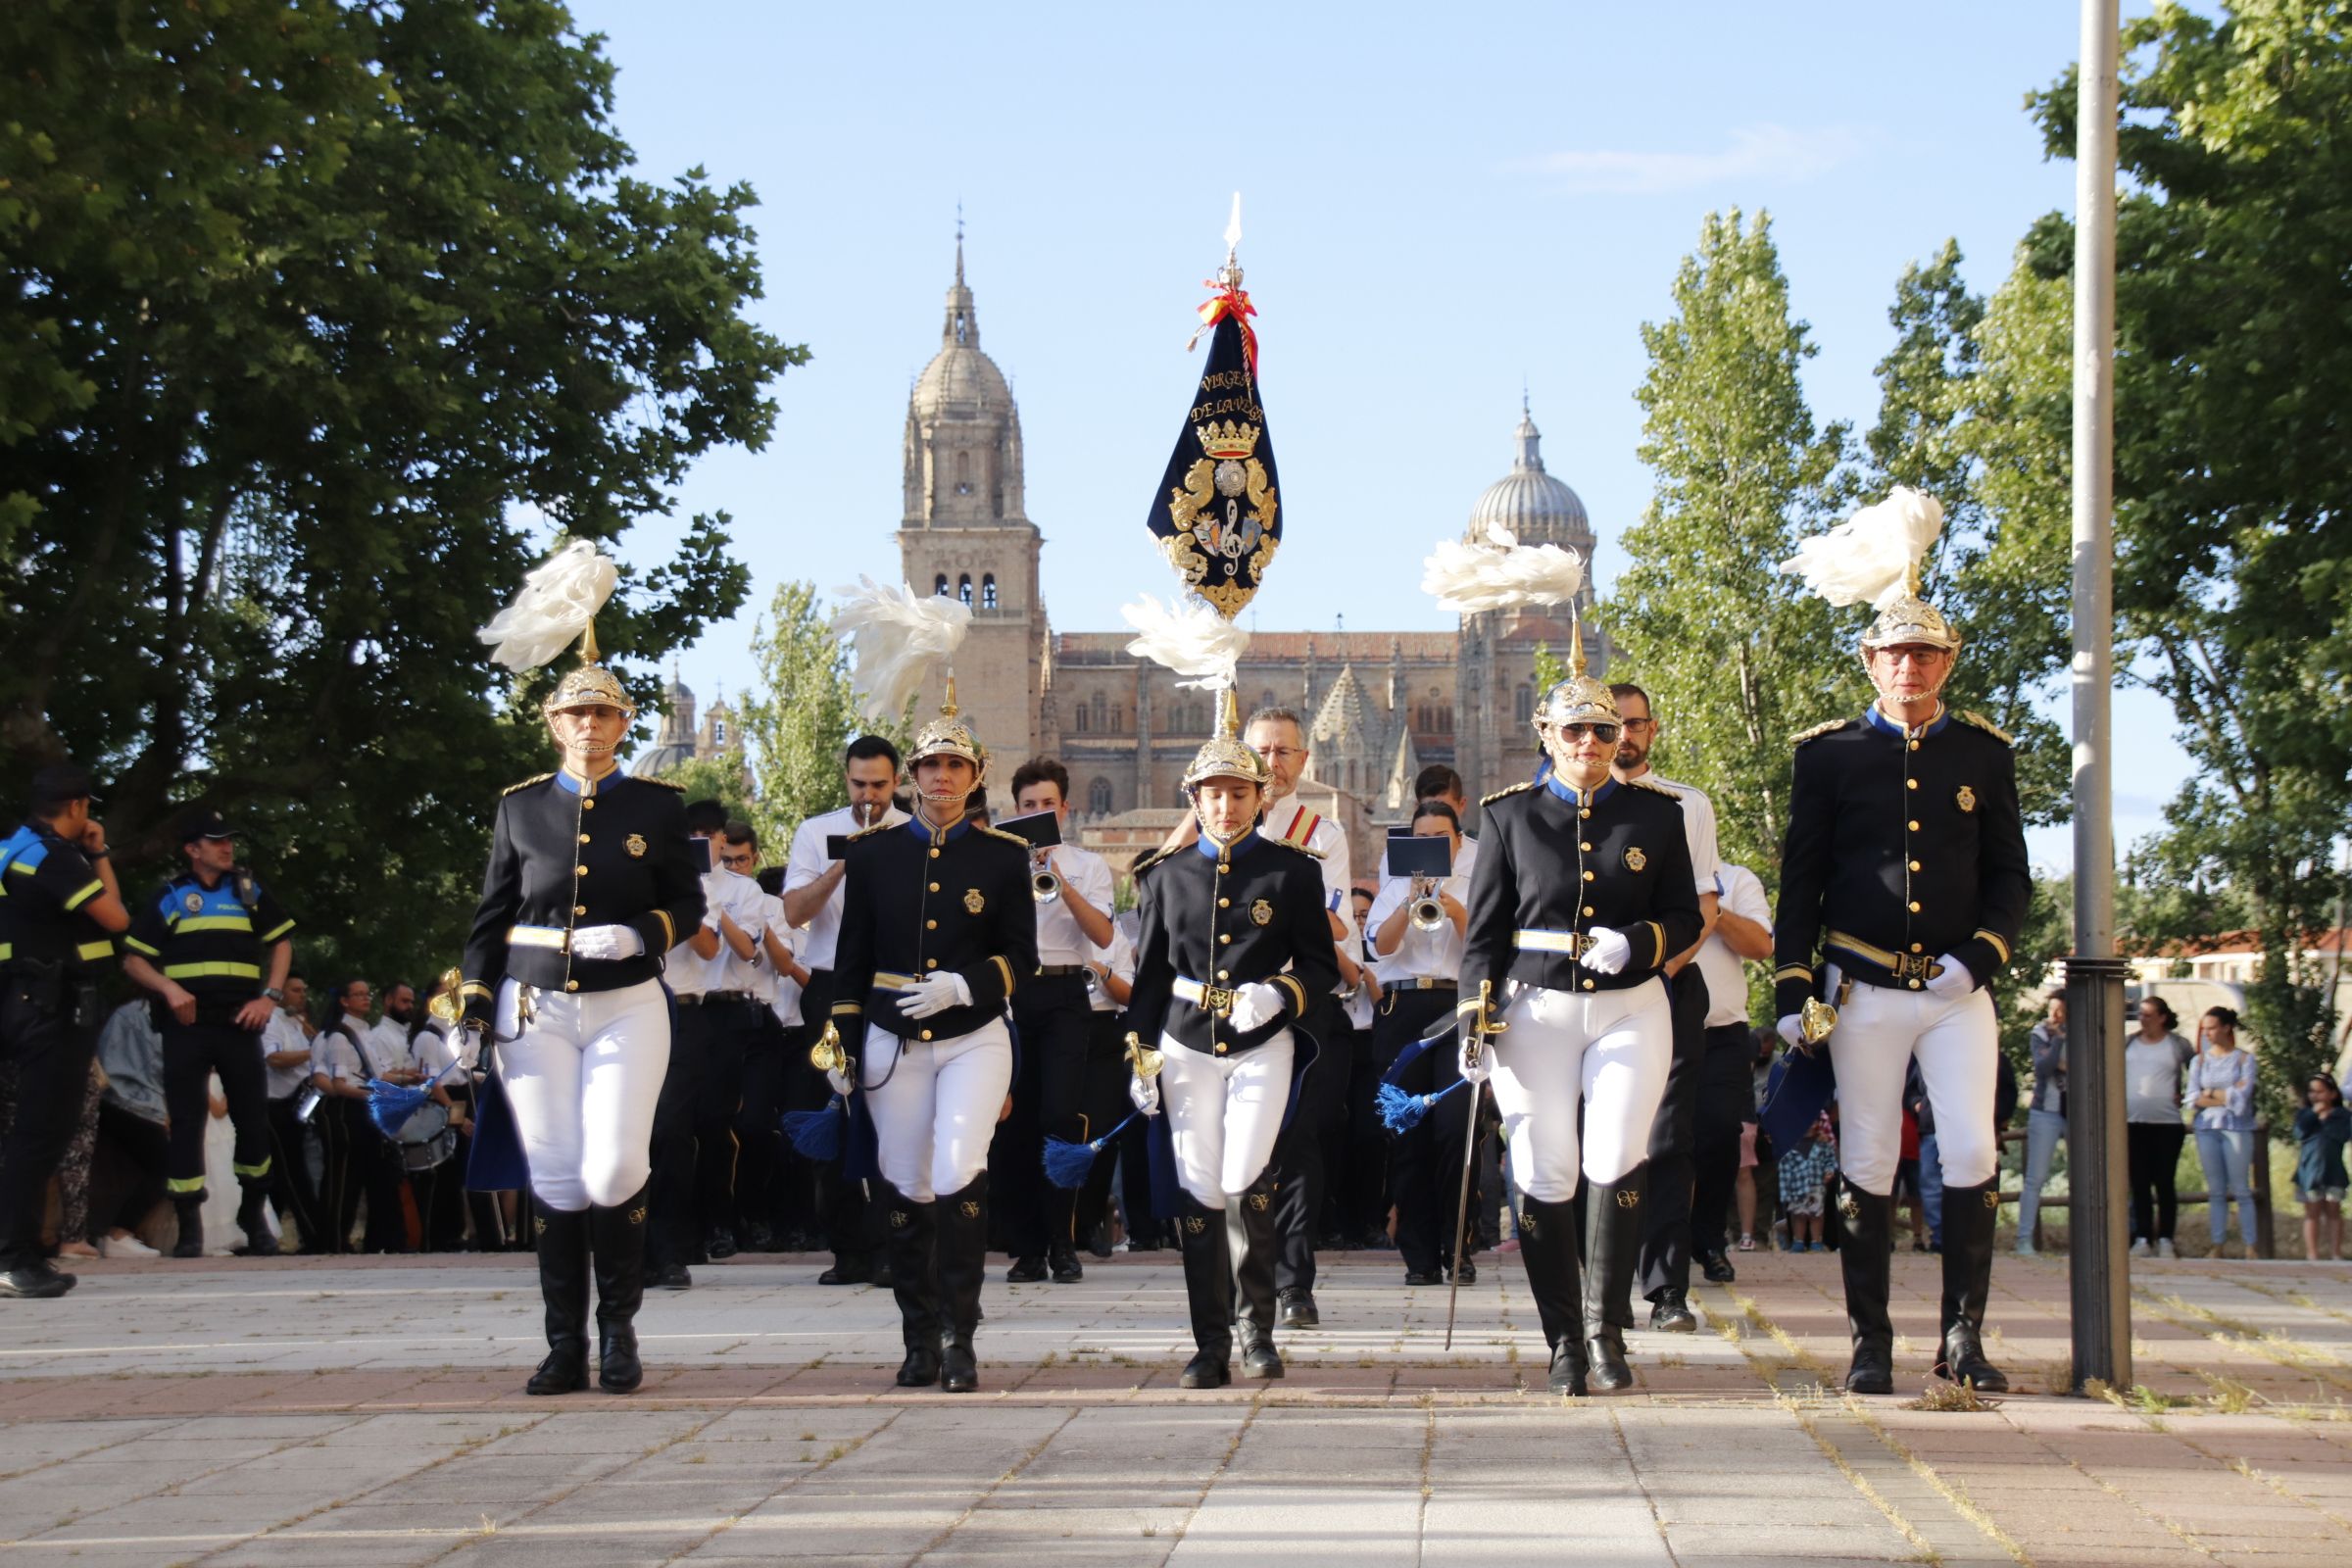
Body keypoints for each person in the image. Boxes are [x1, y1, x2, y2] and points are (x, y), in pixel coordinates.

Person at [1775, 492, 2032, 1395]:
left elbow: (2010, 875)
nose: (1909, 667)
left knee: (1971, 1152)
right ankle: (1870, 1340)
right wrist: (1791, 987)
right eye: (1894, 654)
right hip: (1863, 989)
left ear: (1948, 660)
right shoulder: (1829, 756)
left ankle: (1963, 1337)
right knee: (1868, 1158)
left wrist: (1985, 956)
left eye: (1925, 653)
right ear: (1868, 661)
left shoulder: (1985, 755)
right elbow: (1800, 877)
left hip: (1958, 987)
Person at [457, 604, 706, 1397]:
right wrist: (469, 1009)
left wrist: (644, 934)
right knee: (558, 1177)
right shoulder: (518, 806)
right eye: (575, 712)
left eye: (603, 712)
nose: (589, 726)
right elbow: (491, 919)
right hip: (533, 1007)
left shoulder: (658, 806)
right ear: (552, 723)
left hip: (625, 1001)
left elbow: (689, 907)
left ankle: (619, 1329)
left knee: (614, 1166)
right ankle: (565, 1344)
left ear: (625, 723)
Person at [1458, 658, 1702, 1396]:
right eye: (1575, 730)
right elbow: (1485, 936)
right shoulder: (1508, 815)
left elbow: (1687, 914)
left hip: (1630, 1003)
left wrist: (1644, 942)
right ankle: (1563, 1338)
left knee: (1618, 1155)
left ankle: (1606, 1330)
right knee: (1545, 1169)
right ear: (1547, 736)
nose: (1591, 742)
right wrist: (1475, 1016)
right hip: (1537, 1005)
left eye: (1605, 729)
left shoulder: (1656, 814)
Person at [829, 690, 1035, 1395]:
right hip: (892, 1032)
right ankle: (917, 1335)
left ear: (977, 774)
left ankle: (960, 1338)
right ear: (913, 774)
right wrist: (842, 1041)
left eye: (956, 766)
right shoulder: (874, 854)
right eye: (930, 766)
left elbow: (1021, 957)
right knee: (906, 1180)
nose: (942, 778)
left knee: (957, 1169)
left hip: (973, 1032)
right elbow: (850, 958)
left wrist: (967, 984)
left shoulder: (1006, 856)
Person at [1124, 715, 1340, 1389]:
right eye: (1213, 793)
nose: (1225, 805)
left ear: (1260, 797)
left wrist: (1280, 992)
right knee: (1199, 1188)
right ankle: (1208, 1341)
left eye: (1238, 792)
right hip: (1187, 1041)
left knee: (1248, 1180)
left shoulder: (1292, 871)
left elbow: (1321, 966)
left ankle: (1257, 1330)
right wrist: (1138, 1056)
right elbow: (1153, 977)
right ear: (1194, 798)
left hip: (1260, 1041)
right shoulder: (1163, 877)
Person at [118, 808, 294, 1259]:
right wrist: (169, 988)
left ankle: (254, 1220)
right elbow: (134, 958)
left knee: (253, 1123)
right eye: (215, 841)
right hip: (188, 1027)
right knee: (187, 1125)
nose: (226, 846)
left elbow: (282, 942)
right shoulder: (172, 895)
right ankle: (190, 1227)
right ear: (192, 850)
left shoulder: (248, 892)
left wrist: (269, 997)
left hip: (241, 1022)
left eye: (228, 839)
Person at [1603, 683, 1723, 1336]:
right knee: (1604, 1140)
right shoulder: (1568, 805)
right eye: (1607, 725)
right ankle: (1606, 1285)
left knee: (1670, 1140)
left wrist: (1657, 969)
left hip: (1670, 983)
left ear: (1652, 730)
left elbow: (1706, 907)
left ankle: (1667, 1289)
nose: (1621, 736)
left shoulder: (1687, 803)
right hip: (1590, 995)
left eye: (1632, 724)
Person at [781, 735, 909, 1284]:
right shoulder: (816, 832)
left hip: (889, 985)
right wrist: (846, 860)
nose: (869, 794)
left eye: (880, 785)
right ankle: (847, 1248)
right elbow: (793, 912)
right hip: (830, 983)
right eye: (859, 784)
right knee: (831, 1109)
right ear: (846, 779)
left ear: (896, 782)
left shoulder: (912, 831)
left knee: (889, 1109)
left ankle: (891, 1244)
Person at [0, 764, 131, 1298]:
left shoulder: (11, 848)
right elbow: (116, 918)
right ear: (77, 807)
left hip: (18, 1000)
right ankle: (12, 1258)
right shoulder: (55, 858)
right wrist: (99, 854)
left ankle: (25, 1251)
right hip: (52, 1008)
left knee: (27, 1135)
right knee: (40, 1134)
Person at [999, 758, 1115, 1284]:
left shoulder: (1089, 865)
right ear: (1015, 809)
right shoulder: (999, 861)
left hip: (1068, 992)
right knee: (1016, 1122)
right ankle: (1026, 1248)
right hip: (1014, 992)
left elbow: (1105, 938)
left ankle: (1063, 1240)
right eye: (1029, 806)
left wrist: (1060, 882)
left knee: (1061, 1117)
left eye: (1048, 804)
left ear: (1065, 808)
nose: (1039, 812)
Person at [654, 804, 770, 1284]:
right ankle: (661, 1236)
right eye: (693, 835)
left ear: (722, 839)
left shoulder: (740, 889)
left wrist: (697, 900)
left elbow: (712, 948)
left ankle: (696, 1233)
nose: (704, 843)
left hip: (702, 1010)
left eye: (710, 835)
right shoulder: (660, 876)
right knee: (662, 1129)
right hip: (651, 1007)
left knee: (703, 1125)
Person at [1369, 800, 1478, 1287]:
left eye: (1441, 837)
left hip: (1456, 1009)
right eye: (1421, 839)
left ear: (1457, 842)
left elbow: (1488, 947)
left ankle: (1458, 1246)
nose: (1431, 846)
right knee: (1408, 1134)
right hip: (1403, 1012)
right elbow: (1379, 947)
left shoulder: (1475, 883)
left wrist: (1453, 908)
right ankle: (1418, 1255)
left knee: (1456, 1130)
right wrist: (1408, 904)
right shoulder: (1394, 883)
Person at [1689, 862, 1773, 1283]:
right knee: (1654, 1142)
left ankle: (1708, 1240)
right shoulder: (1644, 862)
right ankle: (1653, 1246)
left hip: (1723, 1032)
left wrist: (1713, 911)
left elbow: (1760, 945)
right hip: (1653, 1026)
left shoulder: (1737, 880)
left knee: (1722, 1133)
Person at [312, 980, 411, 1253]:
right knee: (345, 1178)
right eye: (358, 995)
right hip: (347, 1110)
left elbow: (376, 1073)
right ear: (344, 1000)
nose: (366, 999)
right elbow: (337, 1082)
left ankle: (383, 1240)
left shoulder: (364, 1031)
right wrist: (374, 1095)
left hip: (367, 1108)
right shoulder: (336, 1035)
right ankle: (333, 1239)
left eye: (367, 994)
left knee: (378, 1174)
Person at [259, 975, 327, 1251]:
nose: (302, 995)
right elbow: (273, 1058)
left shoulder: (296, 1022)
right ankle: (314, 1237)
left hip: (301, 1103)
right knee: (292, 1173)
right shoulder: (271, 1020)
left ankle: (265, 1237)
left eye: (304, 990)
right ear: (279, 992)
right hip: (277, 1105)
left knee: (279, 1177)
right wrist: (313, 1052)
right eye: (296, 990)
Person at [2184, 1005, 2259, 1257]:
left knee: (2241, 1188)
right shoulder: (2200, 1061)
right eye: (2204, 1029)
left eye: (2212, 1028)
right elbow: (2193, 1097)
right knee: (2216, 1189)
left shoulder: (2244, 1060)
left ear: (2226, 1028)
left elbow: (2242, 1098)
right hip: (2207, 1127)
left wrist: (2211, 1093)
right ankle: (2217, 1244)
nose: (2207, 1033)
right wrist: (2222, 1095)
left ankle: (2251, 1245)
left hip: (2236, 1127)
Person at [2125, 996, 2195, 1257]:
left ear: (2162, 1017)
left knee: (2164, 1181)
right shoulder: (2129, 1043)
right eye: (2140, 1015)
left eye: (2148, 1015)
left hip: (2167, 1122)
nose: (2143, 1019)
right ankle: (2142, 1236)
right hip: (2133, 1121)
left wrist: (2186, 1095)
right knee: (2139, 1182)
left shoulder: (2177, 1045)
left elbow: (2197, 1072)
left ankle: (2166, 1237)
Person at [2016, 994, 2067, 1255]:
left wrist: (2062, 1062)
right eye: (2051, 1009)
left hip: (2077, 1110)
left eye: (2060, 1010)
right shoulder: (2040, 1033)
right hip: (2045, 1110)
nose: (2055, 1015)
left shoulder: (2083, 1029)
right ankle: (2024, 1239)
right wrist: (2058, 1040)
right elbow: (2044, 1067)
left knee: (2088, 1176)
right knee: (2035, 1178)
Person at [2294, 1073, 2347, 1262]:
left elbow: (2342, 1135)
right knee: (2312, 1212)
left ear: (2332, 1094)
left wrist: (2326, 1117)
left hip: (2334, 1171)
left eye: (2320, 1091)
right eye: (2311, 1092)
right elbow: (2299, 1133)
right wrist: (2313, 1114)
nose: (2315, 1096)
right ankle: (2313, 1254)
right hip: (2309, 1172)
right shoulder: (2304, 1115)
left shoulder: (2342, 1116)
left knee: (2334, 1210)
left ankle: (2336, 1253)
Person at [1780, 1112, 1839, 1251]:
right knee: (1798, 1214)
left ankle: (1816, 1241)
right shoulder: (1791, 1143)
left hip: (1816, 1184)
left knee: (1816, 1214)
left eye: (1812, 1121)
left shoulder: (1823, 1143)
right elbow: (1784, 1166)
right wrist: (1785, 1189)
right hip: (1796, 1186)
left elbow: (1831, 1161)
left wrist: (1829, 1171)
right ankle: (1798, 1241)